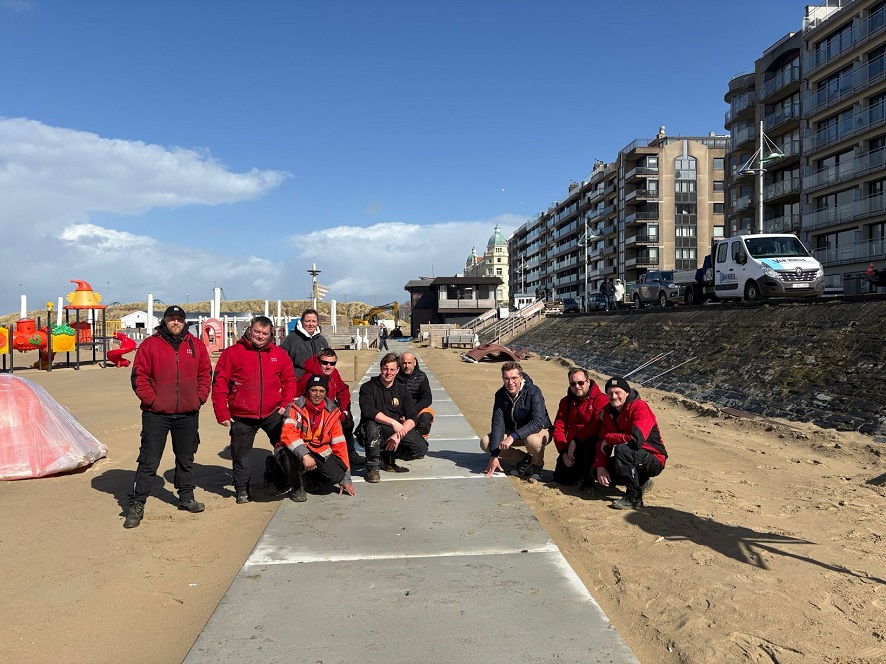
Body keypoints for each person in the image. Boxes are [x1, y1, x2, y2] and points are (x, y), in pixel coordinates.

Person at [124, 305, 212, 528]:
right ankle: (137, 503)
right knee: (149, 459)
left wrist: (199, 398)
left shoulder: (196, 346)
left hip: (187, 412)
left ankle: (185, 496)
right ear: (164, 321)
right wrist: (153, 401)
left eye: (179, 319)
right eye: (171, 319)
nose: (175, 322)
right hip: (156, 414)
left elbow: (205, 374)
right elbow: (139, 377)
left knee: (186, 457)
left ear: (184, 322)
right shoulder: (150, 345)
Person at [211, 316, 297, 504]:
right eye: (257, 331)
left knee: (289, 446)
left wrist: (285, 404)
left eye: (265, 333)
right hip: (241, 414)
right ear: (250, 330)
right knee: (241, 454)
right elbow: (219, 384)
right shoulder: (233, 352)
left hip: (273, 412)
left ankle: (292, 483)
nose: (260, 336)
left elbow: (289, 381)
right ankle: (242, 489)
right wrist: (221, 412)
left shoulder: (279, 354)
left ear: (271, 334)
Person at [592, 376, 667, 510]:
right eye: (610, 393)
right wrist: (600, 467)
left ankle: (634, 498)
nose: (614, 396)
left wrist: (609, 438)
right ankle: (642, 482)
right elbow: (601, 442)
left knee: (622, 450)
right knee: (595, 471)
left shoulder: (640, 407)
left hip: (654, 458)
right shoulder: (607, 412)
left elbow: (635, 440)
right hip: (633, 456)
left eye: (617, 393)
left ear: (627, 392)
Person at [279, 374, 355, 501]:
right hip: (297, 451)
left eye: (321, 391)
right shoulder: (294, 408)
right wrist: (304, 455)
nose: (317, 394)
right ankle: (297, 488)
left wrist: (345, 479)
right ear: (307, 391)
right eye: (314, 390)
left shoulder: (332, 412)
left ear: (326, 393)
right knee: (288, 460)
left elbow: (340, 445)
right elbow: (288, 434)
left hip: (319, 452)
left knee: (336, 475)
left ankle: (308, 479)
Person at [357, 352, 429, 483]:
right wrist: (393, 423)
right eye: (385, 368)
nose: (388, 372)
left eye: (392, 369)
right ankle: (373, 468)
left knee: (420, 448)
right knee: (372, 426)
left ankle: (388, 455)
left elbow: (412, 417)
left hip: (393, 430)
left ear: (397, 371)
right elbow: (368, 411)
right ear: (380, 369)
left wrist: (399, 435)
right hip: (372, 428)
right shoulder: (368, 387)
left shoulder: (402, 389)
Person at [296, 347, 365, 466]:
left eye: (332, 363)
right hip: (312, 414)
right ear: (318, 362)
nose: (328, 366)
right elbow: (301, 401)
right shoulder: (308, 378)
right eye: (325, 363)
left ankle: (349, 451)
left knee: (347, 421)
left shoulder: (334, 373)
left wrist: (344, 410)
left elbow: (343, 390)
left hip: (330, 408)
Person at [481, 361, 551, 479]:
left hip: (539, 431)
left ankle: (537, 466)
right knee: (486, 442)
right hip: (515, 431)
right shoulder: (500, 395)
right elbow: (498, 424)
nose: (510, 382)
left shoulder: (533, 392)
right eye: (506, 378)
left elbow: (537, 422)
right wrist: (494, 455)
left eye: (514, 378)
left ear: (521, 378)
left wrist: (513, 436)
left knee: (532, 440)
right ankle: (524, 460)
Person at [551, 367, 608, 487]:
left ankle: (590, 479)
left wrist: (576, 440)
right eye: (573, 383)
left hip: (593, 446)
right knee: (561, 478)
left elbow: (597, 424)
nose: (577, 386)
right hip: (572, 449)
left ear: (588, 381)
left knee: (589, 445)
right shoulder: (565, 402)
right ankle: (579, 474)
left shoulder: (601, 399)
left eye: (580, 382)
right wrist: (564, 452)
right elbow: (559, 427)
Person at [280, 308, 328, 379]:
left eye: (314, 321)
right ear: (302, 322)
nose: (311, 324)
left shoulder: (322, 340)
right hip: (298, 382)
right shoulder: (291, 339)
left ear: (317, 322)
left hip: (320, 383)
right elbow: (282, 363)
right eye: (307, 321)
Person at [396, 351, 434, 437]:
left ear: (415, 362)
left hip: (416, 407)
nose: (407, 366)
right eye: (404, 363)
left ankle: (420, 439)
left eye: (409, 363)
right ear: (400, 364)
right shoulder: (394, 376)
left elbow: (427, 398)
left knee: (426, 418)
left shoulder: (421, 377)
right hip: (397, 408)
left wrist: (412, 411)